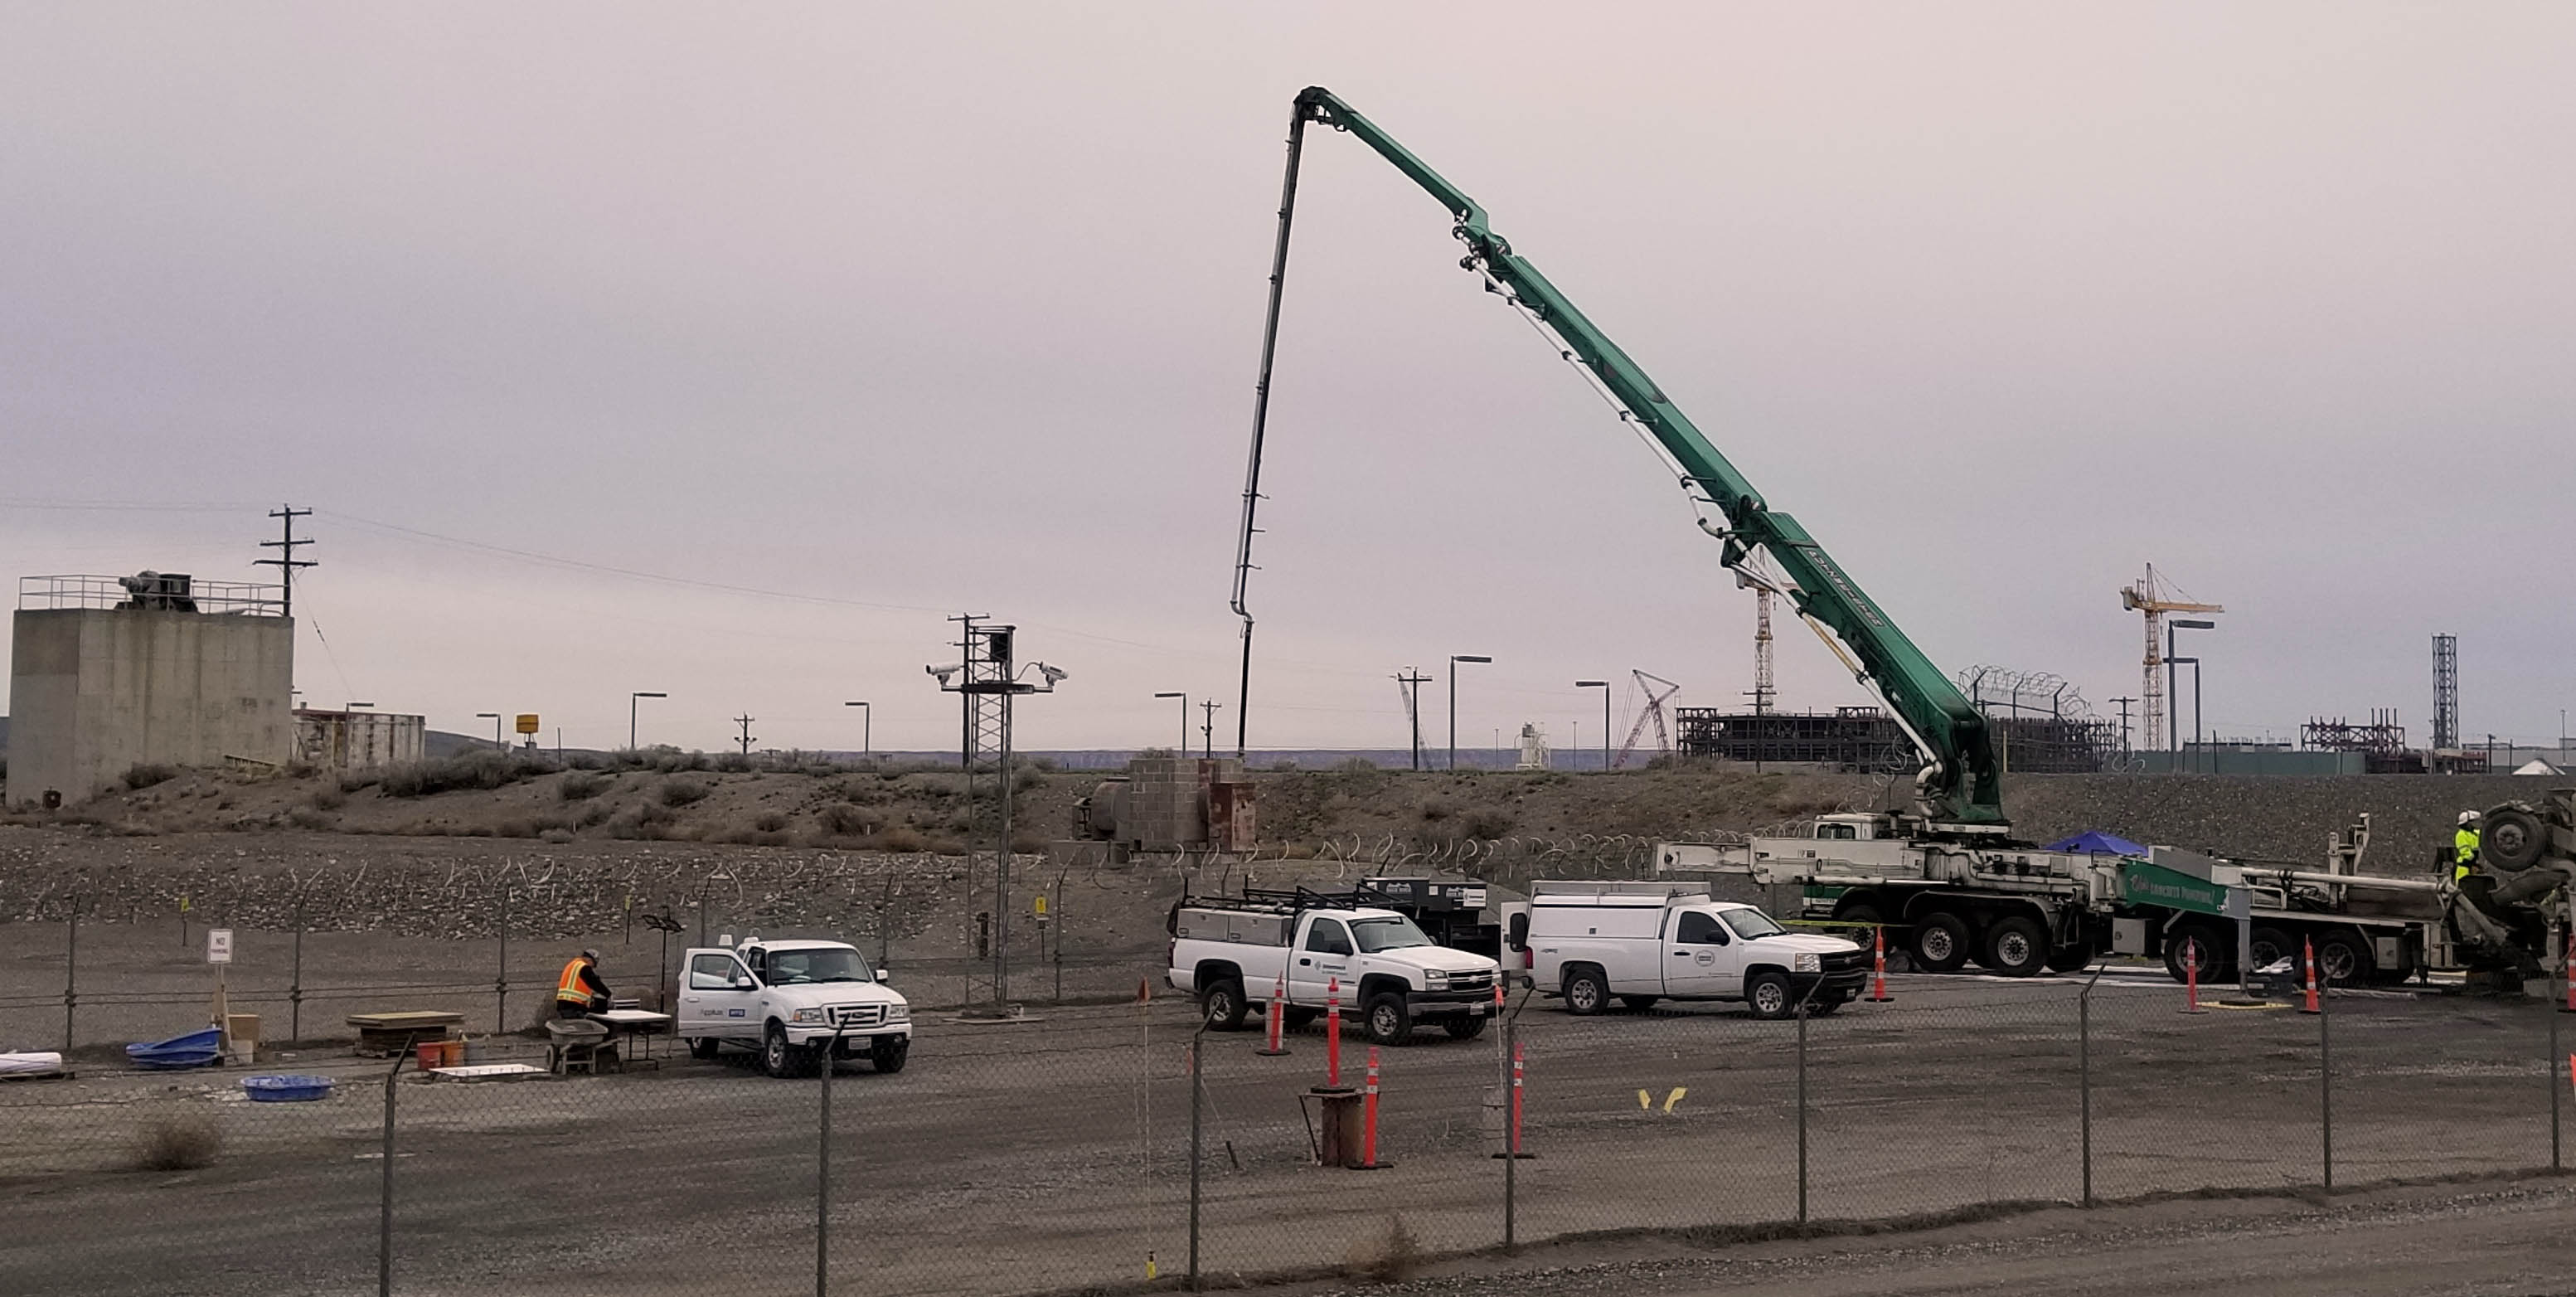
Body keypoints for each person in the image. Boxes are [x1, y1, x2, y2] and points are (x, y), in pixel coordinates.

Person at [555, 949, 611, 1018]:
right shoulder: (584, 967)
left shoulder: (574, 964)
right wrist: (608, 994)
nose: (592, 967)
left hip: (564, 1004)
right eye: (593, 963)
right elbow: (595, 983)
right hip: (573, 1005)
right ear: (590, 960)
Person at [2453, 810, 2482, 883]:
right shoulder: (2461, 835)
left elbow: (2484, 834)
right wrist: (2472, 865)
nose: (2474, 823)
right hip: (2464, 866)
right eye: (2472, 821)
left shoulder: (2474, 833)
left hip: (2472, 864)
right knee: (2462, 887)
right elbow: (2466, 854)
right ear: (2467, 823)